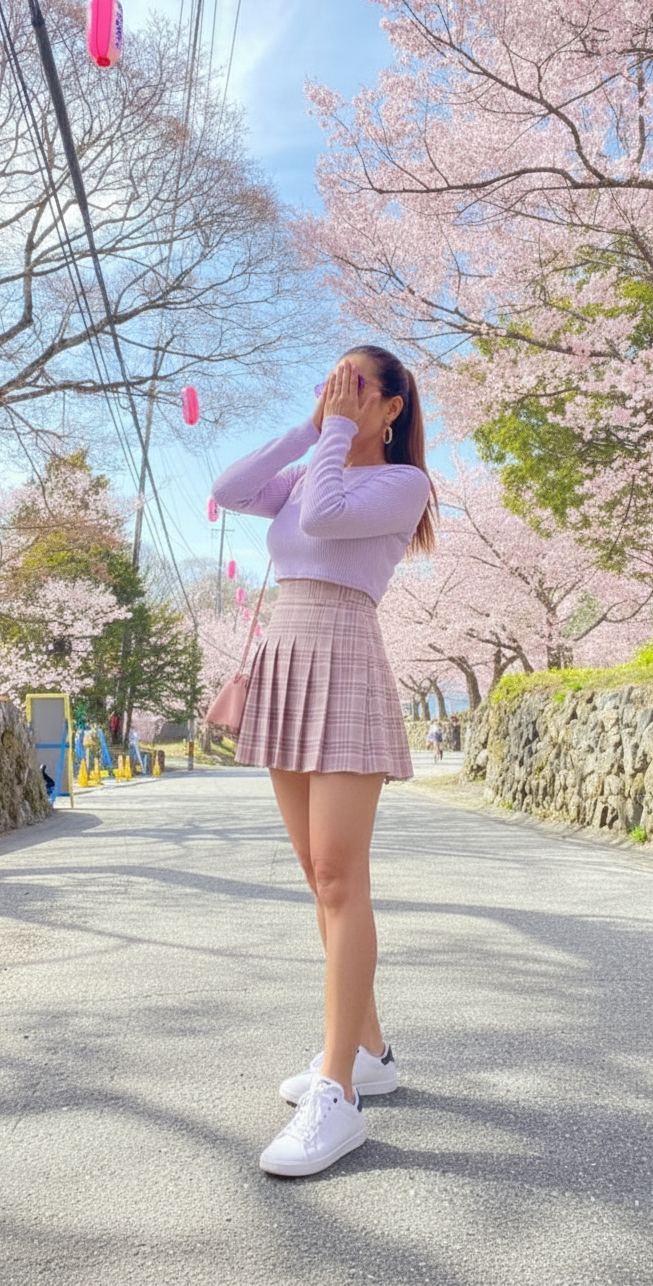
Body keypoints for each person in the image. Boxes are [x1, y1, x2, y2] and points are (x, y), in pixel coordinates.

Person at [211, 346, 437, 1177]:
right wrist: (311, 430)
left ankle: (337, 1091)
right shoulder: (318, 463)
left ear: (392, 407)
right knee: (318, 875)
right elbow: (231, 489)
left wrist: (335, 436)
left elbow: (324, 521)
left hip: (343, 657)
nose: (337, 394)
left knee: (341, 878)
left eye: (354, 385)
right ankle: (368, 1051)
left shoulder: (403, 484)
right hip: (286, 657)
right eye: (328, 382)